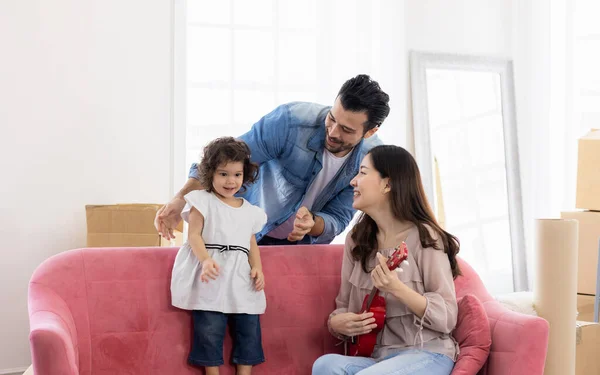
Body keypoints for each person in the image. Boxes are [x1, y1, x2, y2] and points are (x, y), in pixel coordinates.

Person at [155, 74, 390, 246]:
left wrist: (312, 223)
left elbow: (338, 218)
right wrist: (180, 199)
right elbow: (222, 160)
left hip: (298, 246)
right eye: (332, 118)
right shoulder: (290, 122)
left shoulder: (372, 161)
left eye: (347, 130)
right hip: (244, 230)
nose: (333, 132)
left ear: (370, 131)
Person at [312, 145, 461, 375]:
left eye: (362, 172)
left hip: (428, 353)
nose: (353, 181)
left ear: (387, 184)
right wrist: (338, 324)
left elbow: (447, 318)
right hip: (378, 358)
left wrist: (397, 288)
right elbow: (343, 307)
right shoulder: (357, 239)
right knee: (324, 366)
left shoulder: (425, 237)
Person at [170, 137, 267, 375]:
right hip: (212, 274)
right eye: (223, 174)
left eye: (237, 174)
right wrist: (205, 260)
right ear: (210, 173)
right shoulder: (201, 201)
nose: (230, 181)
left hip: (240, 277)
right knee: (209, 328)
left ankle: (244, 372)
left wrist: (258, 268)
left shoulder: (250, 211)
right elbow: (193, 235)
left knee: (249, 327)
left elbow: (251, 243)